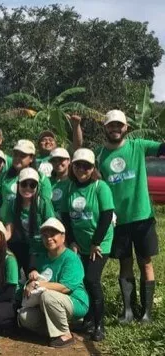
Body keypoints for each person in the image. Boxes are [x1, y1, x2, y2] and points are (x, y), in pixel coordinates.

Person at [73, 109, 163, 323]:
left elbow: (162, 147)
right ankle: (128, 310)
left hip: (142, 217)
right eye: (111, 125)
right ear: (105, 128)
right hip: (118, 221)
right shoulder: (100, 154)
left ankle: (147, 312)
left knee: (146, 262)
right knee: (125, 263)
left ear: (126, 128)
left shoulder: (138, 146)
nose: (115, 128)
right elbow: (78, 153)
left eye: (119, 125)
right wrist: (76, 126)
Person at [60, 148, 114, 341]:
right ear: (72, 166)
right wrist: (72, 241)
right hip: (80, 244)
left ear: (93, 168)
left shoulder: (101, 187)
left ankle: (100, 324)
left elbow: (107, 216)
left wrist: (95, 243)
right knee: (82, 281)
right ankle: (89, 319)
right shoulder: (69, 187)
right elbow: (65, 216)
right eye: (78, 165)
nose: (82, 169)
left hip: (99, 244)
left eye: (87, 166)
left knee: (92, 280)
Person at [18, 218, 89, 349]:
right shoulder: (42, 258)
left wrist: (39, 285)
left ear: (63, 237)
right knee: (24, 317)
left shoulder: (71, 258)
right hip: (48, 305)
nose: (49, 238)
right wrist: (30, 283)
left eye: (53, 235)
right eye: (45, 236)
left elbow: (66, 287)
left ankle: (65, 335)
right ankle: (57, 330)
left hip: (74, 302)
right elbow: (36, 280)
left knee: (48, 296)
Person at [1, 168, 55, 274]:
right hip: (23, 244)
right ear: (18, 185)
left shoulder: (43, 203)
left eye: (32, 185)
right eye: (24, 184)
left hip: (41, 246)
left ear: (37, 187)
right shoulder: (12, 204)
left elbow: (52, 227)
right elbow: (9, 231)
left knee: (33, 273)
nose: (27, 188)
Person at [0, 139, 52, 207]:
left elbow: (46, 206)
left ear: (31, 158)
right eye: (15, 155)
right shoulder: (4, 176)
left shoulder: (42, 179)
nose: (17, 158)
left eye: (22, 155)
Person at [49, 148, 71, 215]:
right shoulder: (47, 182)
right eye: (54, 161)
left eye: (61, 160)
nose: (57, 163)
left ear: (68, 161)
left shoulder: (74, 182)